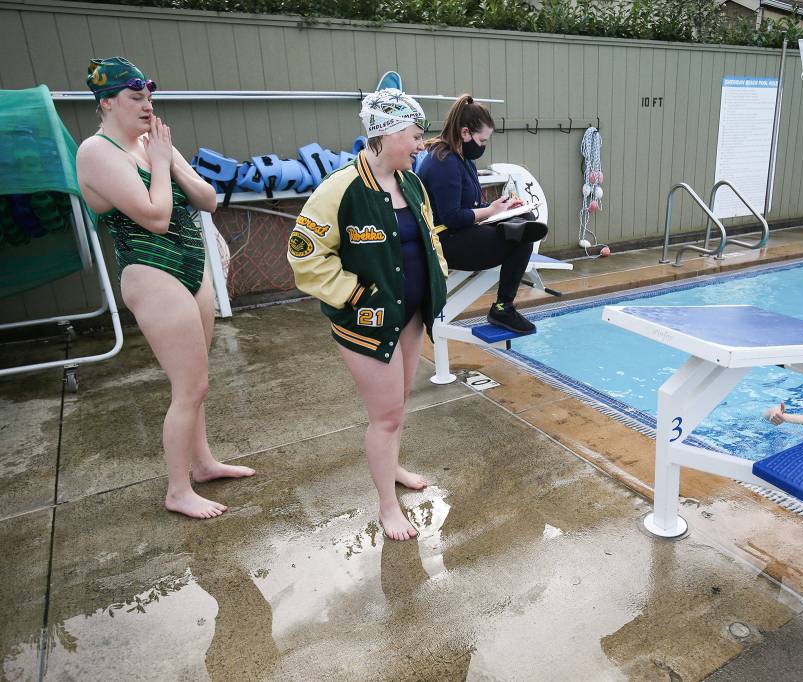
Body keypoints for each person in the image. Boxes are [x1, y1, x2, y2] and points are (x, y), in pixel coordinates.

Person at [76, 57, 254, 519]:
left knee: (198, 383)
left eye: (149, 97)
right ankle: (177, 490)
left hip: (192, 263)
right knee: (188, 387)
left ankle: (204, 463)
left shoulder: (151, 141)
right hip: (149, 269)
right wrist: (160, 160)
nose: (147, 106)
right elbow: (154, 216)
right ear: (107, 102)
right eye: (136, 98)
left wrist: (166, 158)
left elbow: (208, 198)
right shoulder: (95, 152)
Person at [287, 88, 448, 541]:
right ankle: (386, 506)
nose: (421, 145)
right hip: (367, 323)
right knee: (386, 415)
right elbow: (305, 255)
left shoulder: (412, 183)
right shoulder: (339, 190)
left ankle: (392, 466)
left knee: (398, 405)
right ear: (388, 133)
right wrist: (354, 294)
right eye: (415, 136)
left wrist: (438, 281)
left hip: (411, 316)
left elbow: (429, 238)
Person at [417, 95, 546, 334]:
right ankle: (502, 308)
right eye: (482, 140)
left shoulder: (462, 159)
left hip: (461, 232)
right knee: (522, 241)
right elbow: (452, 218)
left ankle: (516, 224)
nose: (483, 146)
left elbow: (471, 203)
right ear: (465, 133)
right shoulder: (443, 163)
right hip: (444, 242)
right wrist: (490, 211)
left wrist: (500, 207)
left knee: (524, 222)